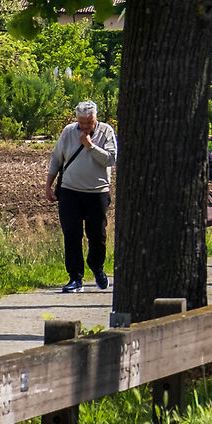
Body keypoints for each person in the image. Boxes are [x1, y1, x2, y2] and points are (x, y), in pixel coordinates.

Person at [47, 100, 118, 293]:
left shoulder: (106, 132)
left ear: (96, 118)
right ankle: (75, 278)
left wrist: (90, 146)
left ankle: (96, 266)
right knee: (71, 234)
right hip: (70, 191)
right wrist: (48, 184)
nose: (85, 126)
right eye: (82, 122)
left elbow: (111, 159)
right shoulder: (69, 131)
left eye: (89, 122)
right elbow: (57, 158)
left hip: (97, 193)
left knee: (97, 235)